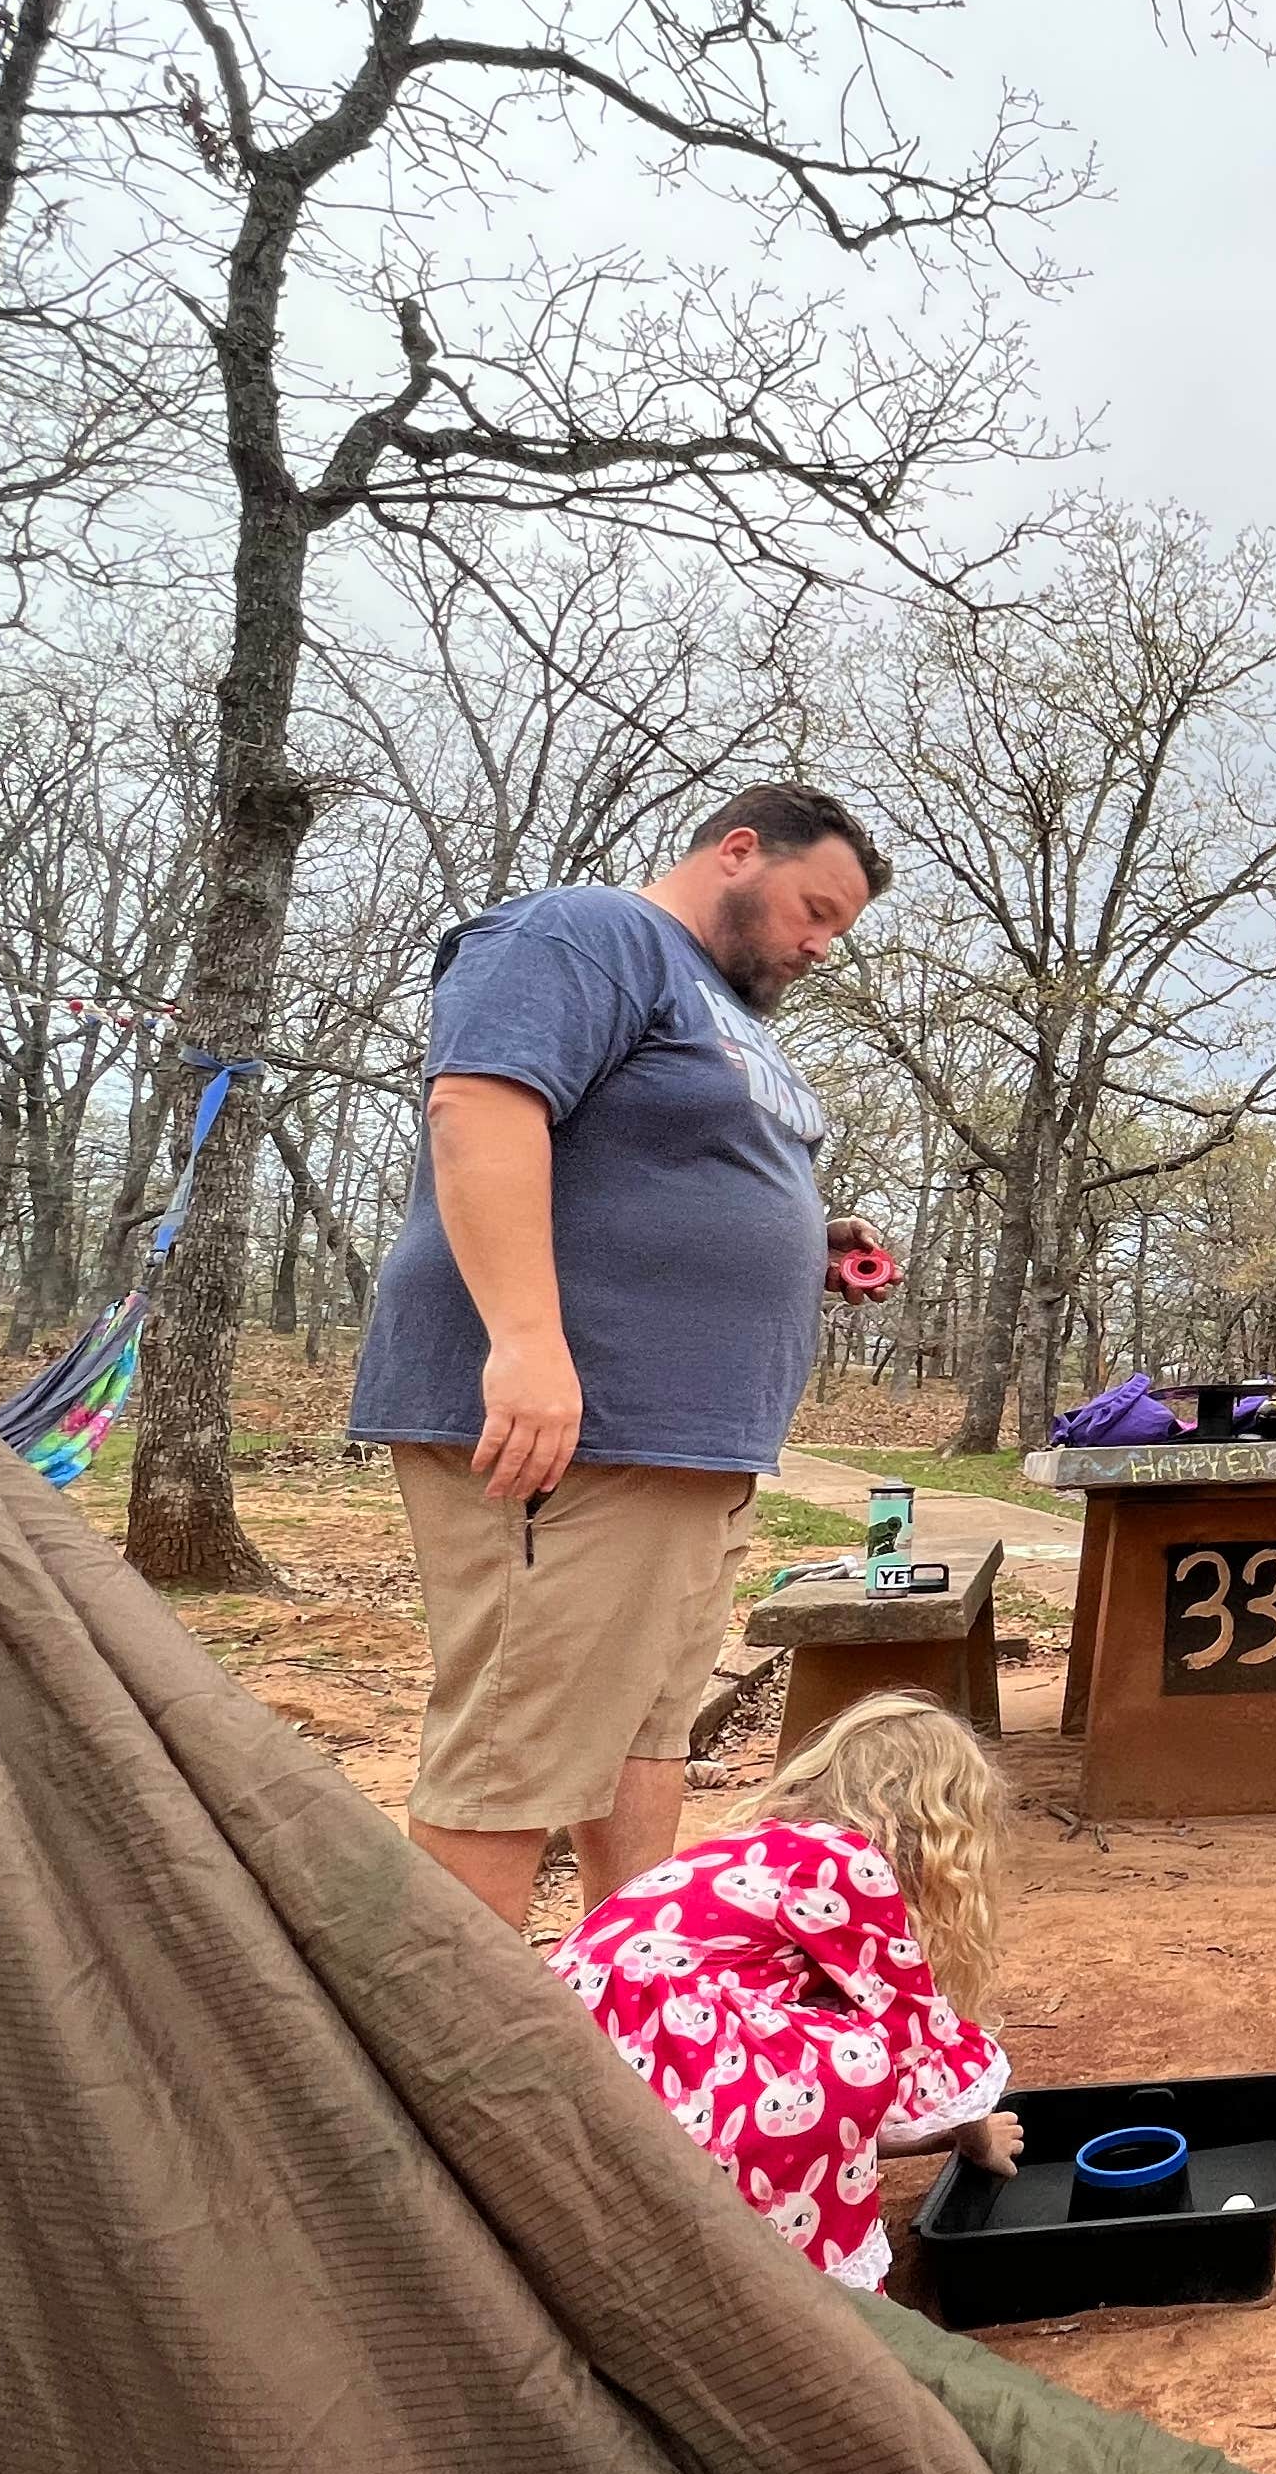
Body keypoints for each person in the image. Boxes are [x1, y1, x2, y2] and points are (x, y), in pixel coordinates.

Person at [348, 782, 901, 1933]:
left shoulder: (720, 1009)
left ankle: (631, 2011)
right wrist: (527, 1343)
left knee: (642, 1739)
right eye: (814, 909)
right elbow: (479, 1107)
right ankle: (450, 2079)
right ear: (737, 852)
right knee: (515, 1756)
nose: (819, 944)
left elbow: (648, 1184)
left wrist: (804, 1236)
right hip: (574, 1432)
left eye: (838, 928)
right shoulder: (586, 932)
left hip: (686, 1448)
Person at [552, 1694, 1022, 2291]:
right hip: (671, 2061)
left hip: (582, 2061)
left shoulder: (753, 1852)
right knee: (853, 2055)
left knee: (819, 2033)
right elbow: (916, 2034)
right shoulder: (846, 1862)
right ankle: (815, 2293)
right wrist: (978, 2140)